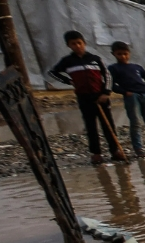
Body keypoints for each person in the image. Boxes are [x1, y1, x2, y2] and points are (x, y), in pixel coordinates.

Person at [48, 30, 123, 164]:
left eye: (79, 43)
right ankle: (96, 153)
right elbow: (52, 73)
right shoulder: (67, 61)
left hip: (100, 96)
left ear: (84, 43)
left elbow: (107, 76)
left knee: (108, 125)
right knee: (91, 126)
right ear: (68, 45)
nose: (77, 46)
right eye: (73, 44)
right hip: (84, 98)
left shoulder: (95, 59)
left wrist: (106, 93)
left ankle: (115, 150)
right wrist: (69, 81)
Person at [106, 42, 145, 158]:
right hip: (132, 96)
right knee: (135, 123)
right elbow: (111, 84)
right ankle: (138, 148)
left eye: (125, 54)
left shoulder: (136, 67)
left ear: (129, 53)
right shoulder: (113, 68)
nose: (123, 57)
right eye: (119, 54)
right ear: (114, 54)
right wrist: (125, 92)